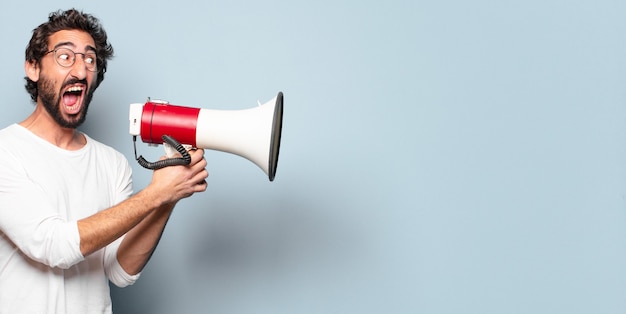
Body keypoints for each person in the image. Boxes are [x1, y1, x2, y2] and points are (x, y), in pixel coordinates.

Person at [0, 9, 209, 313]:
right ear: (33, 68)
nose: (81, 70)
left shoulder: (112, 163)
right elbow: (53, 245)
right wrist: (155, 193)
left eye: (90, 59)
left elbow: (120, 271)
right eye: (65, 56)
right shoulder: (6, 151)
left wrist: (169, 196)